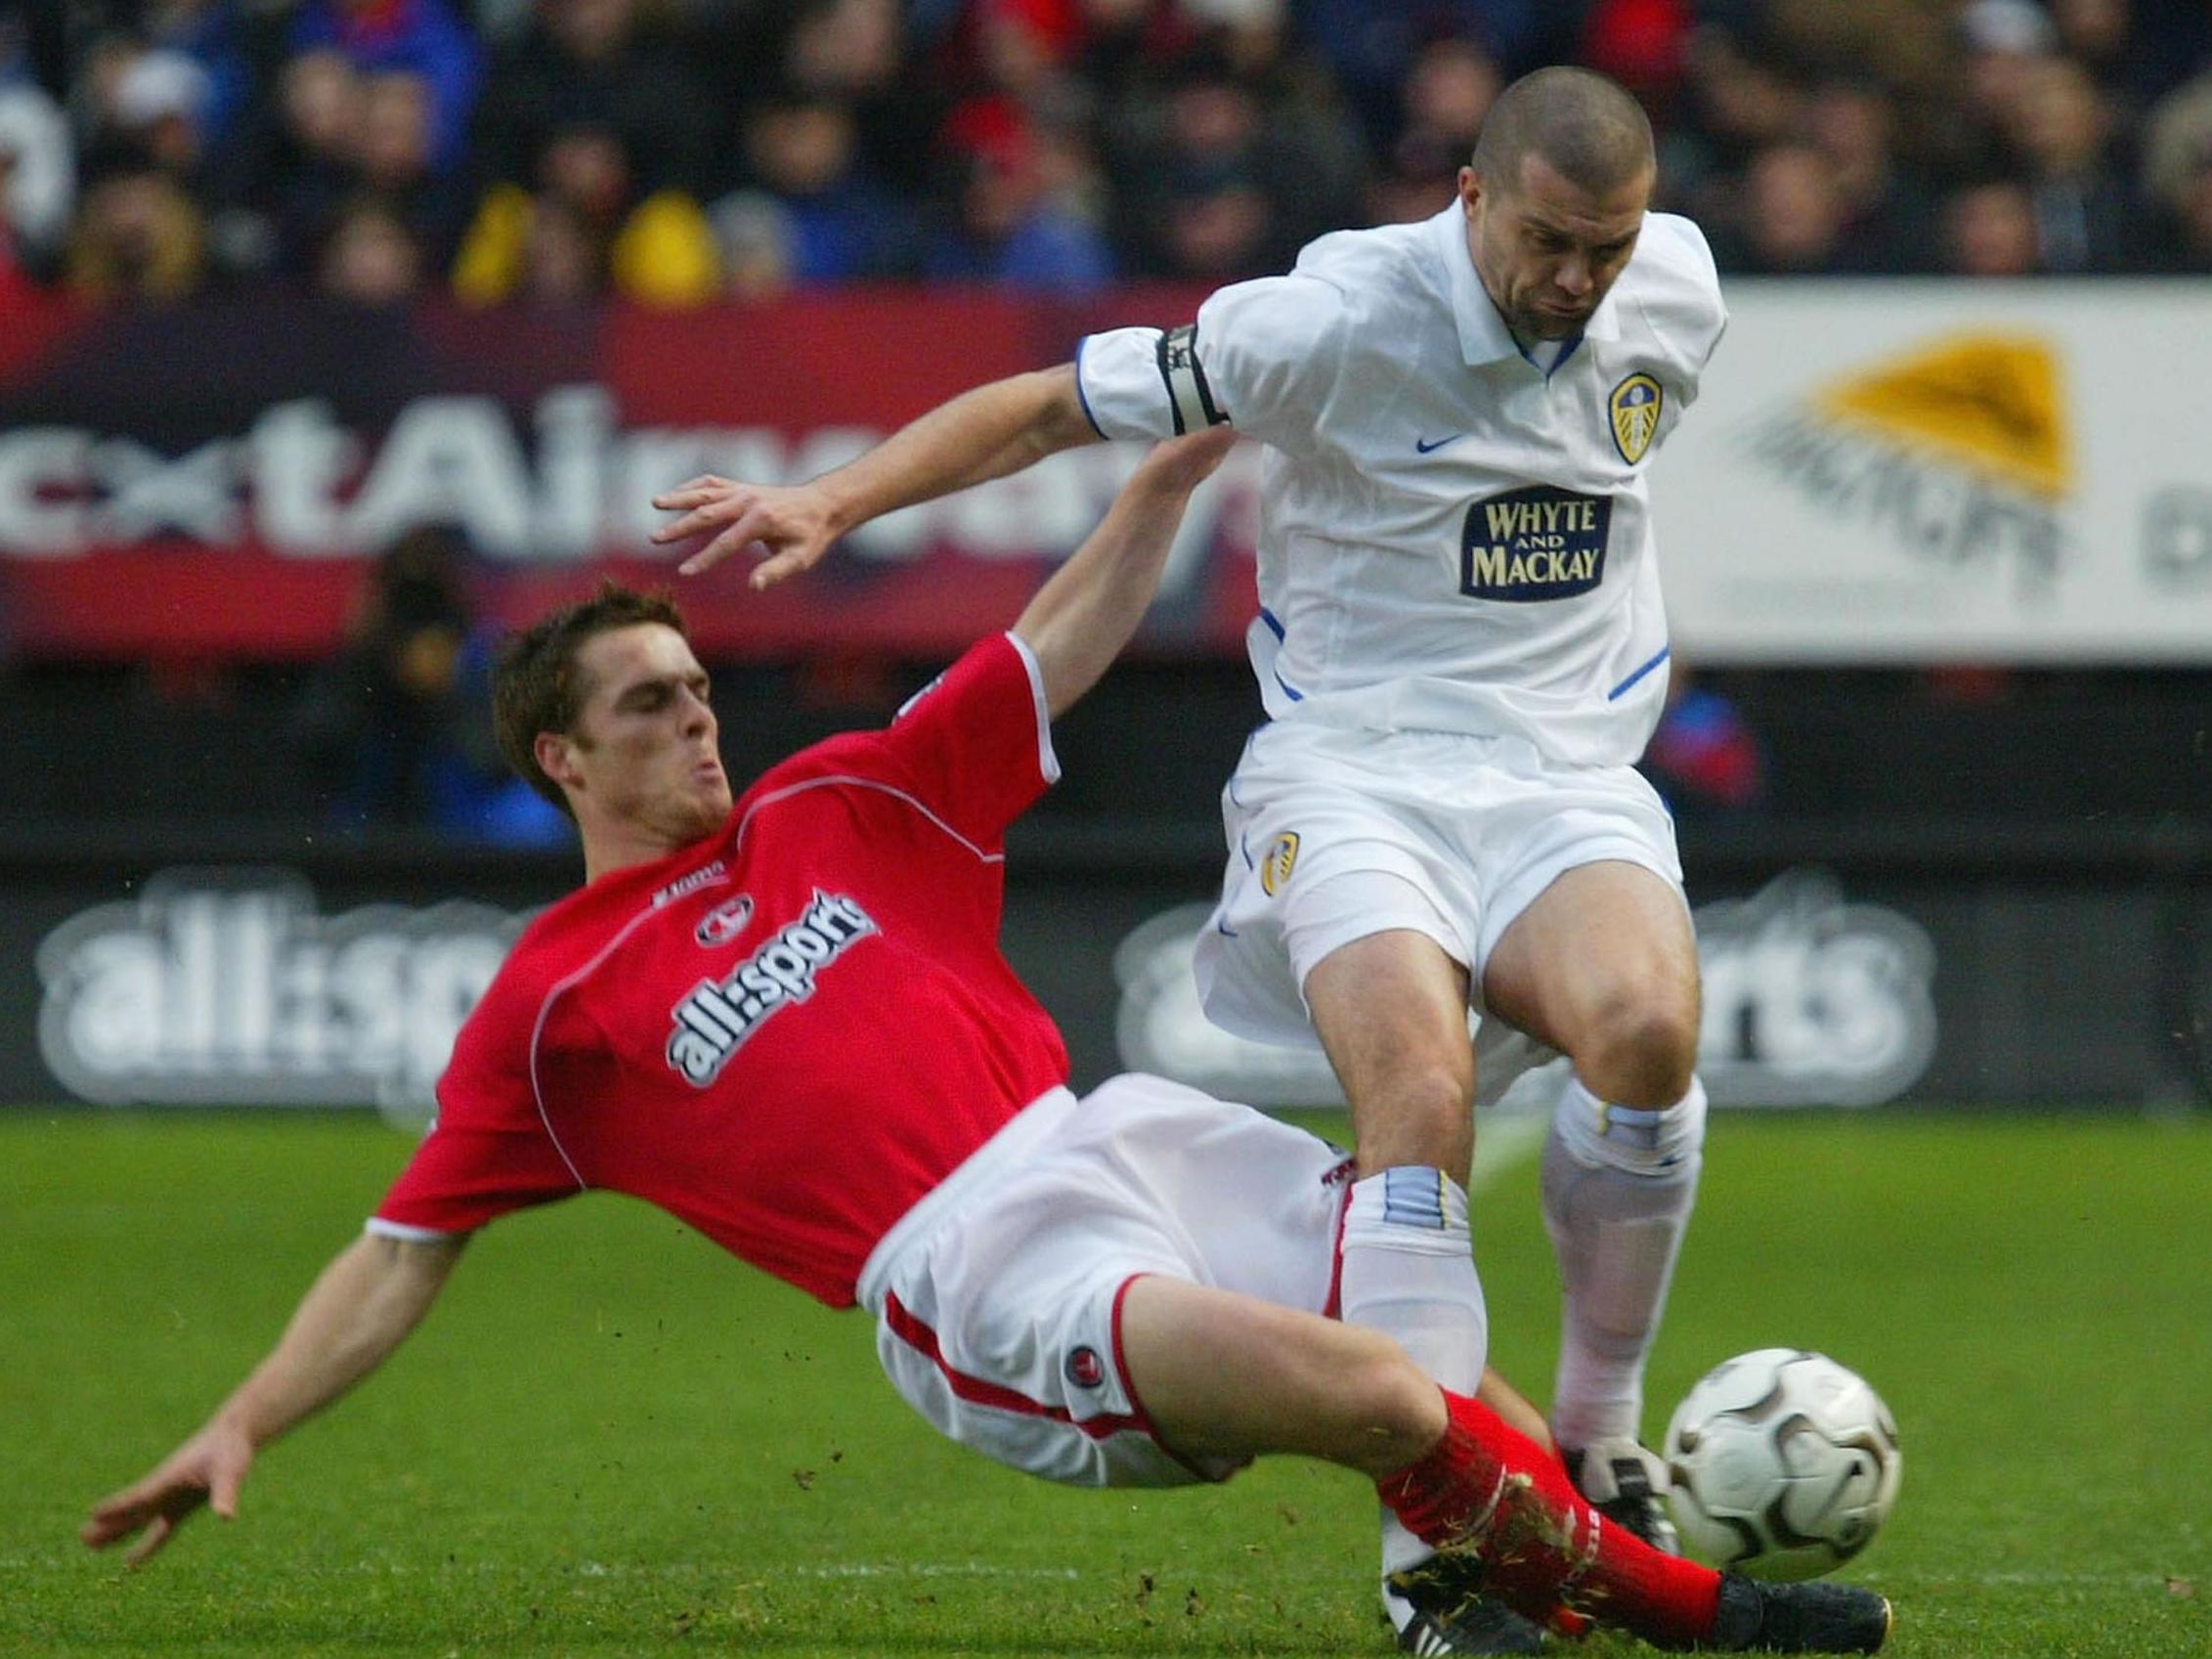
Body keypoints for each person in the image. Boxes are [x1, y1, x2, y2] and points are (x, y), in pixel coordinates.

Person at [81, 434, 1888, 1656]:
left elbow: (1049, 647)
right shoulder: (555, 1008)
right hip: (975, 1265)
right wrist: (239, 1419)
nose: (698, 718)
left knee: (1417, 1287)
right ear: (562, 757)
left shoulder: (840, 799)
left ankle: (1505, 1579)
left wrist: (1174, 467)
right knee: (1379, 1393)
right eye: (649, 705)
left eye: (699, 687)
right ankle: (1685, 1615)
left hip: (1113, 1135)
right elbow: (405, 1253)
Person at [649, 65, 1726, 1656]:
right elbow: (1041, 405)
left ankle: (1596, 1427)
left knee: (1648, 1035)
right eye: (1552, 242)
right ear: (1471, 199)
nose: (1579, 281)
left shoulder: (1681, 288)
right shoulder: (1328, 318)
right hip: (1351, 768)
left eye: (1607, 249)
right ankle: (1429, 1572)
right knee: (1413, 1100)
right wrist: (835, 494)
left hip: (1562, 775)